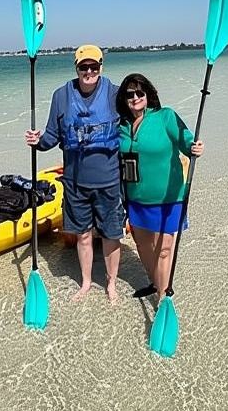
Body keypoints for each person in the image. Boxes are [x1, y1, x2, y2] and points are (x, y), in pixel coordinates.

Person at [25, 45, 124, 302]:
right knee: (82, 235)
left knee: (112, 235)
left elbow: (139, 120)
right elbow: (51, 138)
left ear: (101, 67)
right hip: (76, 183)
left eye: (94, 66)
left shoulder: (115, 94)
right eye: (83, 66)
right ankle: (87, 282)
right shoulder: (61, 96)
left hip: (110, 181)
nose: (89, 71)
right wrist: (37, 141)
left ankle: (111, 283)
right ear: (77, 68)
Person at [116, 73, 204, 302]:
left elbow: (185, 140)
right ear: (123, 99)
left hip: (168, 197)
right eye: (129, 94)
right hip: (136, 198)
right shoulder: (121, 126)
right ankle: (156, 283)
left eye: (139, 92)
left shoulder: (165, 117)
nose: (135, 97)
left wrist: (194, 146)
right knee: (144, 247)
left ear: (148, 94)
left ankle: (165, 299)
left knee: (164, 249)